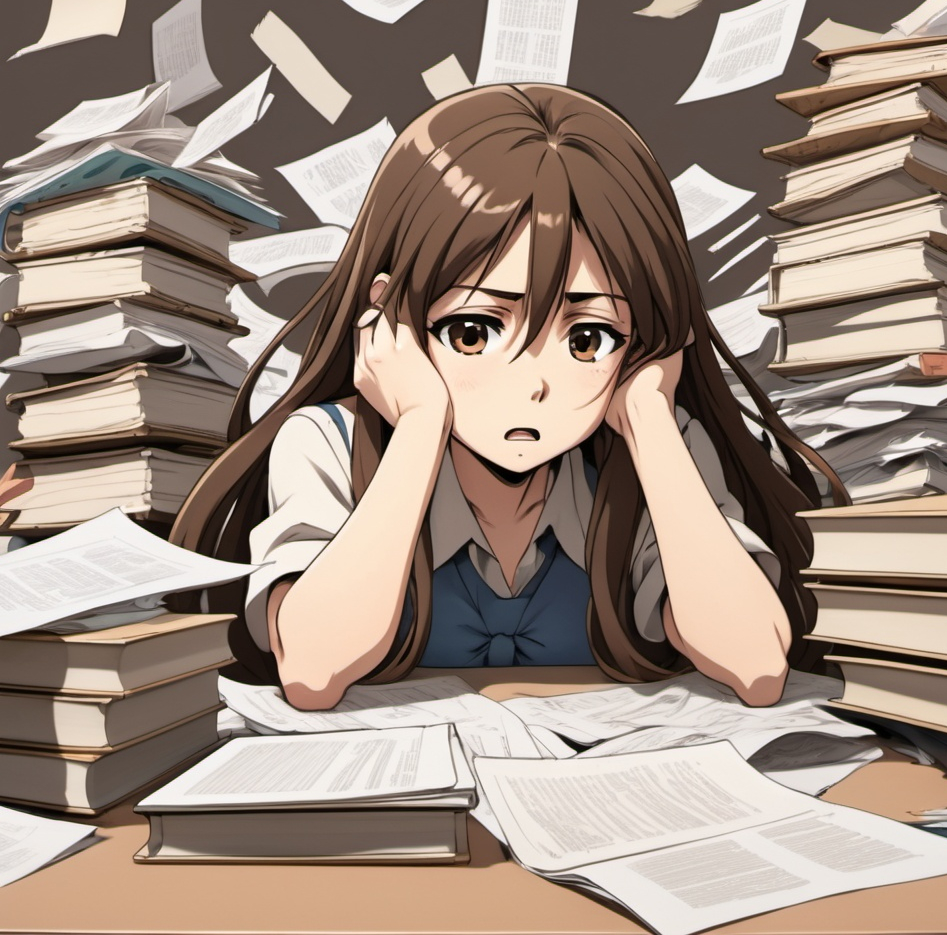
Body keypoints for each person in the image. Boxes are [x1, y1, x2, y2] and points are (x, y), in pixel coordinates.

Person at [170, 83, 845, 712]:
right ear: (391, 319)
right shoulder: (326, 444)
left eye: (587, 338)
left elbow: (756, 668)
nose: (532, 383)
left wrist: (648, 418)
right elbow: (313, 671)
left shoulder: (651, 448)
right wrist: (419, 423)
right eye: (474, 330)